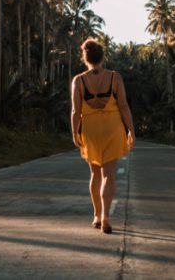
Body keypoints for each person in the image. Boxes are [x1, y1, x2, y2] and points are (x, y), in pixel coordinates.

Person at [70, 38, 134, 234]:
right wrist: (130, 129)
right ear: (102, 56)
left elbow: (75, 110)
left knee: (94, 173)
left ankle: (96, 215)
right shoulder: (115, 77)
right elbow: (123, 106)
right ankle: (106, 216)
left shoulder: (79, 80)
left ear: (85, 57)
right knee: (108, 174)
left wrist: (75, 132)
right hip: (112, 127)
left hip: (90, 129)